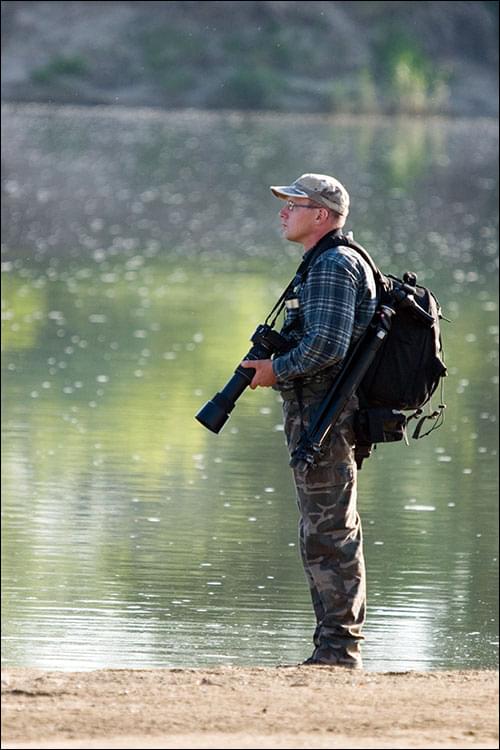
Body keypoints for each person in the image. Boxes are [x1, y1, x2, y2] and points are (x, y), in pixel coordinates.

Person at [241, 173, 377, 669]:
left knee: (330, 530)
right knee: (323, 528)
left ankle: (339, 651)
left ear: (321, 215)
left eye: (293, 204)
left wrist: (274, 369)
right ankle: (332, 647)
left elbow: (326, 346)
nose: (283, 211)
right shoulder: (327, 262)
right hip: (319, 412)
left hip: (326, 416)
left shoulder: (333, 267)